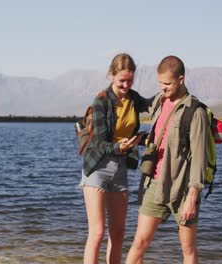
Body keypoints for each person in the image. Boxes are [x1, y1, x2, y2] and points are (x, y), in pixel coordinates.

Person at [126, 56, 209, 264]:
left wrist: (192, 196)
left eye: (167, 84)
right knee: (139, 244)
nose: (162, 88)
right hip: (155, 185)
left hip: (183, 190)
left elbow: (200, 156)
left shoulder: (194, 111)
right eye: (160, 83)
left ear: (181, 80)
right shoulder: (159, 102)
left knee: (188, 249)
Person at [79, 53, 153, 264]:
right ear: (111, 75)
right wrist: (119, 146)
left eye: (130, 80)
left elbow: (153, 105)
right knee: (97, 232)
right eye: (122, 80)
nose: (126, 85)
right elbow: (99, 143)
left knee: (118, 233)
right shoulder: (101, 101)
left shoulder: (134, 98)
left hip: (120, 168)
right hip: (97, 168)